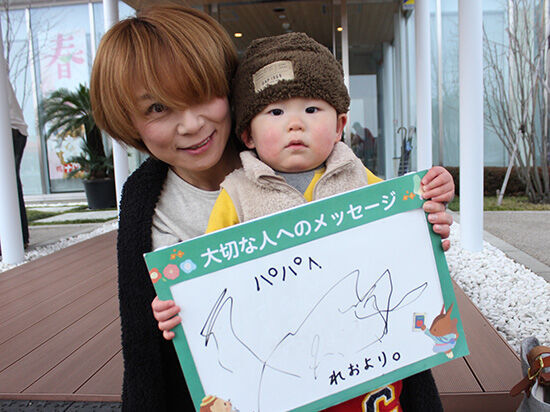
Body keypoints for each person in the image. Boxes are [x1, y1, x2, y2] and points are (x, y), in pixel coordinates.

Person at [154, 33, 454, 411]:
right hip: (281, 363)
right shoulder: (236, 194)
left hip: (363, 352)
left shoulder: (362, 178)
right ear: (247, 134)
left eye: (312, 109)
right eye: (276, 113)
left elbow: (404, 236)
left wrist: (431, 213)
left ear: (340, 125)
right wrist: (179, 304)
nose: (295, 124)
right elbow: (209, 281)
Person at [90, 5, 242, 411]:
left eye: (201, 93)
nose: (191, 124)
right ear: (129, 122)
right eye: (157, 108)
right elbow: (143, 355)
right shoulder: (144, 205)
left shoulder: (289, 165)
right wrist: (167, 321)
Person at [7, 80, 30, 248]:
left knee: (8, 186)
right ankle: (19, 238)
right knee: (10, 185)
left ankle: (15, 239)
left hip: (10, 130)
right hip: (15, 129)